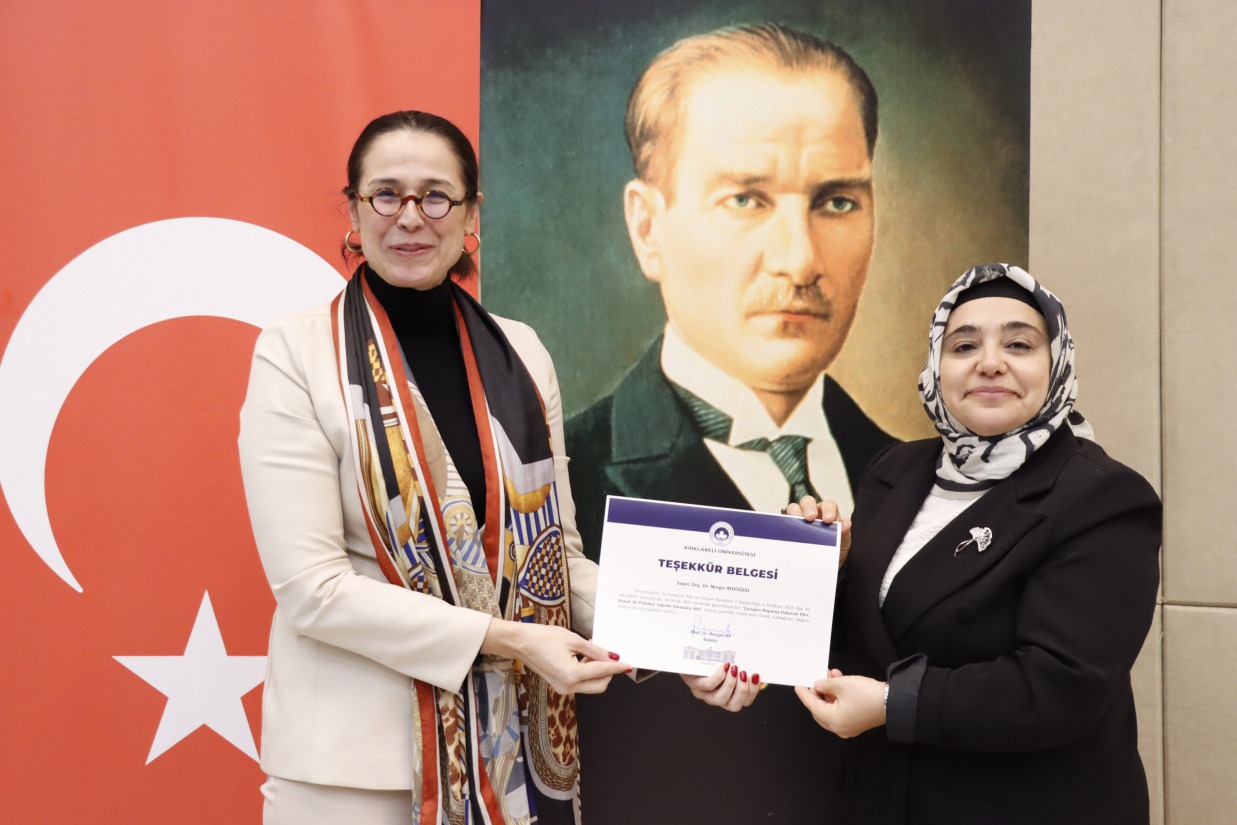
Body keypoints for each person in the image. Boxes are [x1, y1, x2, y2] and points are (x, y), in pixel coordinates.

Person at [237, 111, 630, 825]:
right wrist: (510, 639)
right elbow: (313, 590)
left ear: (471, 213)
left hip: (506, 759)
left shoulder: (521, 353)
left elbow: (556, 559)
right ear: (355, 211)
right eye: (386, 193)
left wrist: (682, 636)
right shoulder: (295, 353)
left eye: (436, 195)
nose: (411, 217)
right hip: (350, 773)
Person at [565, 23, 894, 824]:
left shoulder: (915, 474)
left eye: (836, 201)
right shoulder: (563, 476)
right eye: (745, 199)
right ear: (648, 227)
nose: (798, 259)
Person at [790, 263, 1161, 824]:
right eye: (964, 346)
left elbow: (1060, 685)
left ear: (1057, 362)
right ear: (937, 368)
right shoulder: (894, 470)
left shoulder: (1102, 496)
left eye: (1019, 344)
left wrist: (892, 704)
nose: (990, 362)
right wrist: (827, 573)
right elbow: (872, 637)